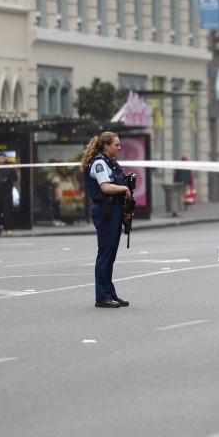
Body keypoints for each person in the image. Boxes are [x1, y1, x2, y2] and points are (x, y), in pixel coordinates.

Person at [81, 132, 133, 308]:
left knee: (110, 255)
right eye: (116, 145)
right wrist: (124, 188)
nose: (119, 147)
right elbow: (105, 187)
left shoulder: (111, 163)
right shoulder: (99, 163)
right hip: (105, 212)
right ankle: (102, 296)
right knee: (105, 254)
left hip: (114, 210)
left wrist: (126, 209)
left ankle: (110, 293)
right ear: (106, 146)